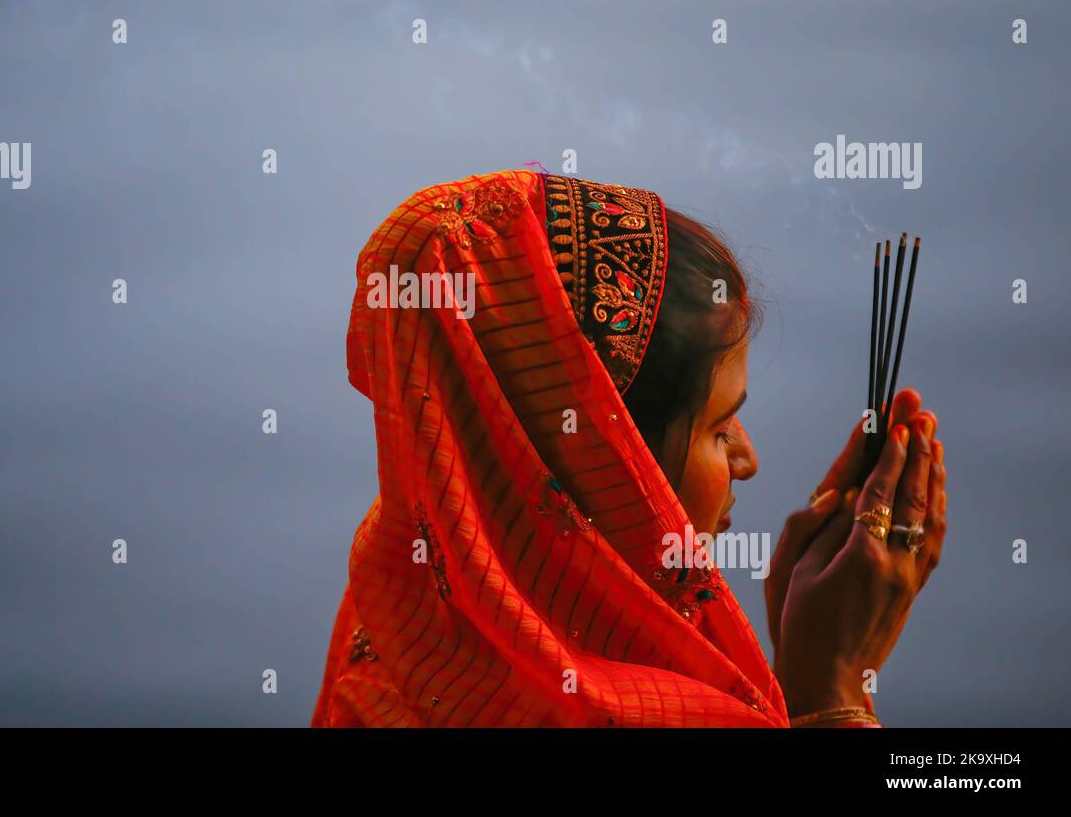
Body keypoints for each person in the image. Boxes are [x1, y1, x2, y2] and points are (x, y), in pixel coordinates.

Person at [311, 168, 947, 727]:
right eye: (720, 429)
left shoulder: (406, 606)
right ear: (608, 466)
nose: (748, 462)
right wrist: (833, 686)